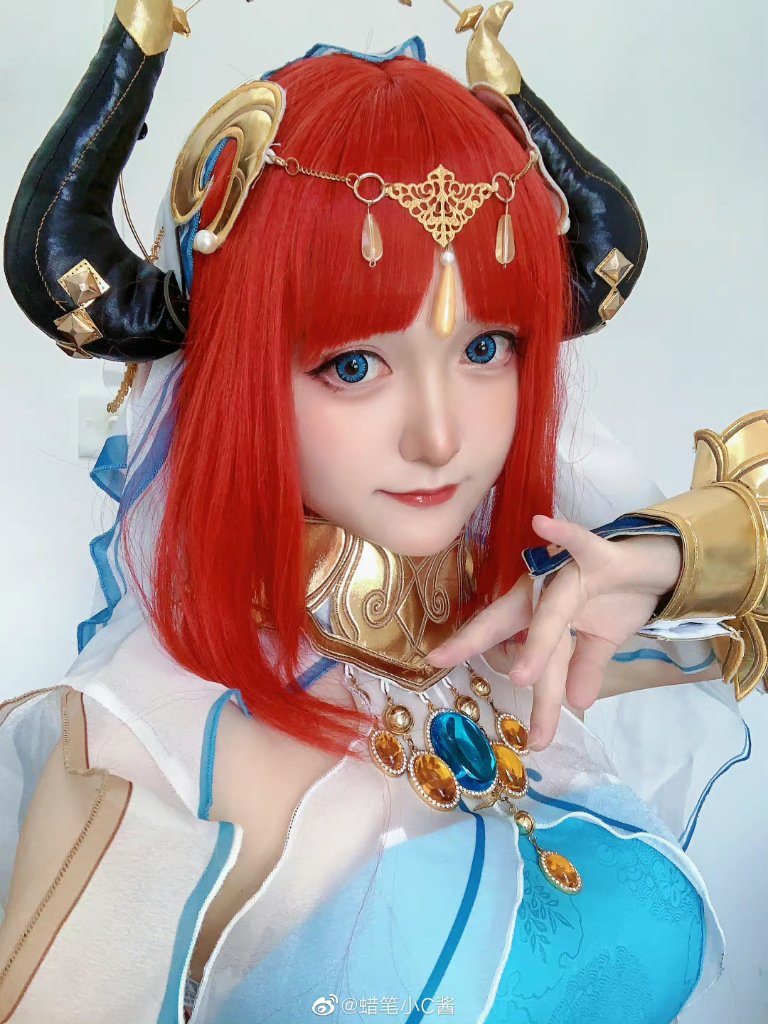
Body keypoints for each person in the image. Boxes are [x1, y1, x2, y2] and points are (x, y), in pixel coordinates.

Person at [0, 1, 765, 1021]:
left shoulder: (554, 633)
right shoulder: (157, 756)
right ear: (236, 382)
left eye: (486, 348)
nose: (440, 438)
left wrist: (666, 557)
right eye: (353, 365)